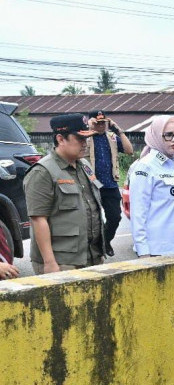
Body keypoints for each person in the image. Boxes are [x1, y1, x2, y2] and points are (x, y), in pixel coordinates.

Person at [23, 113, 105, 274]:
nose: (85, 144)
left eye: (87, 139)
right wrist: (50, 263)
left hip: (91, 256)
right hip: (62, 262)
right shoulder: (42, 172)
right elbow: (38, 219)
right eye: (80, 139)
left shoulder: (84, 165)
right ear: (61, 139)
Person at [128, 115, 174, 257]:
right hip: (157, 251)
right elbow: (138, 214)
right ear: (157, 136)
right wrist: (143, 252)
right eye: (168, 135)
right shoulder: (145, 167)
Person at [85, 109, 134, 257]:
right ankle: (93, 248)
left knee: (115, 217)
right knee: (93, 220)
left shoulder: (112, 137)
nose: (101, 125)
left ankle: (105, 241)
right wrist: (88, 128)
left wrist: (118, 129)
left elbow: (129, 150)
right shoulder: (84, 137)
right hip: (91, 185)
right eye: (98, 122)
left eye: (104, 122)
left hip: (110, 184)